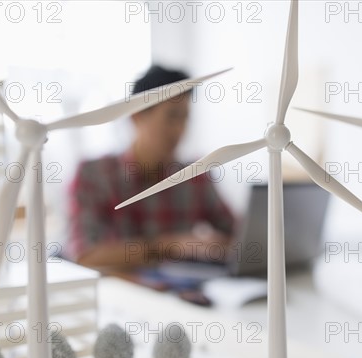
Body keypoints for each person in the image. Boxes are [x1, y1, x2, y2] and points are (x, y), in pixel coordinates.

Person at [66, 65, 235, 274]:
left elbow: (239, 235)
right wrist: (170, 246)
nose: (179, 129)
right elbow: (86, 256)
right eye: (172, 116)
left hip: (184, 295)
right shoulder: (94, 175)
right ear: (136, 116)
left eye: (185, 118)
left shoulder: (195, 175)